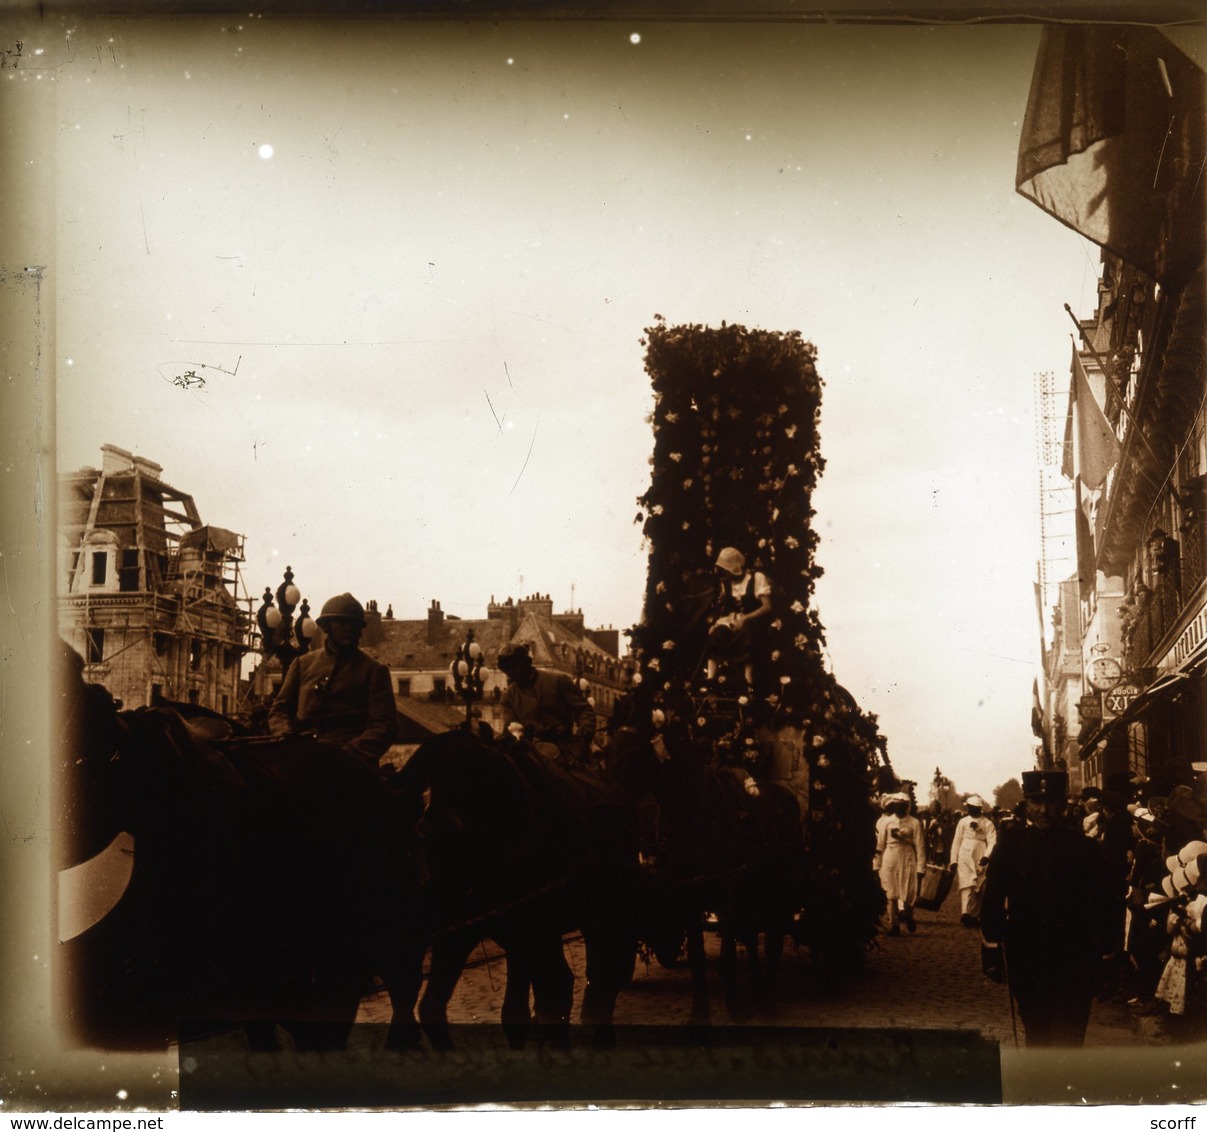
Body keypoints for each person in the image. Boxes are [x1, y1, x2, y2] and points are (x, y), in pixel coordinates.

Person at [979, 770, 1116, 1047]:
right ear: (1027, 804)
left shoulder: (1085, 849)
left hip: (1075, 960)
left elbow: (1106, 903)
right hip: (1027, 959)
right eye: (1036, 801)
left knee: (1069, 1037)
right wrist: (991, 950)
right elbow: (992, 899)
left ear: (1064, 804)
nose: (1044, 810)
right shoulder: (1010, 847)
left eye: (1051, 802)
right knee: (1037, 1035)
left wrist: (1108, 959)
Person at [268, 592, 398, 761]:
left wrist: (350, 753)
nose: (350, 629)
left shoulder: (373, 670)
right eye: (342, 622)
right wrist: (287, 737)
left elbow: (385, 725)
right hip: (302, 754)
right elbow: (280, 711)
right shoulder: (303, 664)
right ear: (326, 627)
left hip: (350, 763)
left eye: (355, 624)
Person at [497, 641, 596, 766]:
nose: (512, 672)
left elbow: (584, 710)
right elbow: (509, 727)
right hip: (530, 751)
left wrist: (584, 732)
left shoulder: (558, 681)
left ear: (526, 663)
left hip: (565, 749)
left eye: (515, 666)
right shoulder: (508, 696)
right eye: (507, 669)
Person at [704, 547, 772, 686]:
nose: (726, 573)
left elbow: (767, 606)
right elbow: (724, 608)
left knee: (747, 631)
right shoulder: (726, 583)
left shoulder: (756, 578)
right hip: (732, 621)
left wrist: (745, 618)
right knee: (717, 634)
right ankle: (710, 680)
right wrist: (716, 623)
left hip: (754, 620)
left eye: (728, 569)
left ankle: (748, 680)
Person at [873, 793, 926, 937]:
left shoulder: (914, 823)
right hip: (890, 856)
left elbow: (920, 846)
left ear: (907, 807)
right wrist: (876, 865)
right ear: (893, 806)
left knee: (908, 890)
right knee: (890, 892)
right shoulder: (886, 822)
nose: (899, 808)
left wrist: (921, 867)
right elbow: (880, 844)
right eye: (896, 805)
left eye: (902, 806)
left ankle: (908, 914)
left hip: (907, 857)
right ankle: (893, 924)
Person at [949, 795, 996, 928]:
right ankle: (965, 912)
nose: (972, 810)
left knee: (980, 886)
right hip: (964, 852)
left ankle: (975, 914)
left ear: (980, 809)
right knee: (966, 883)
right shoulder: (963, 822)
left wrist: (987, 855)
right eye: (970, 808)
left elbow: (992, 841)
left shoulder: (987, 823)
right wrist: (953, 860)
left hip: (980, 852)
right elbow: (956, 841)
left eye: (976, 808)